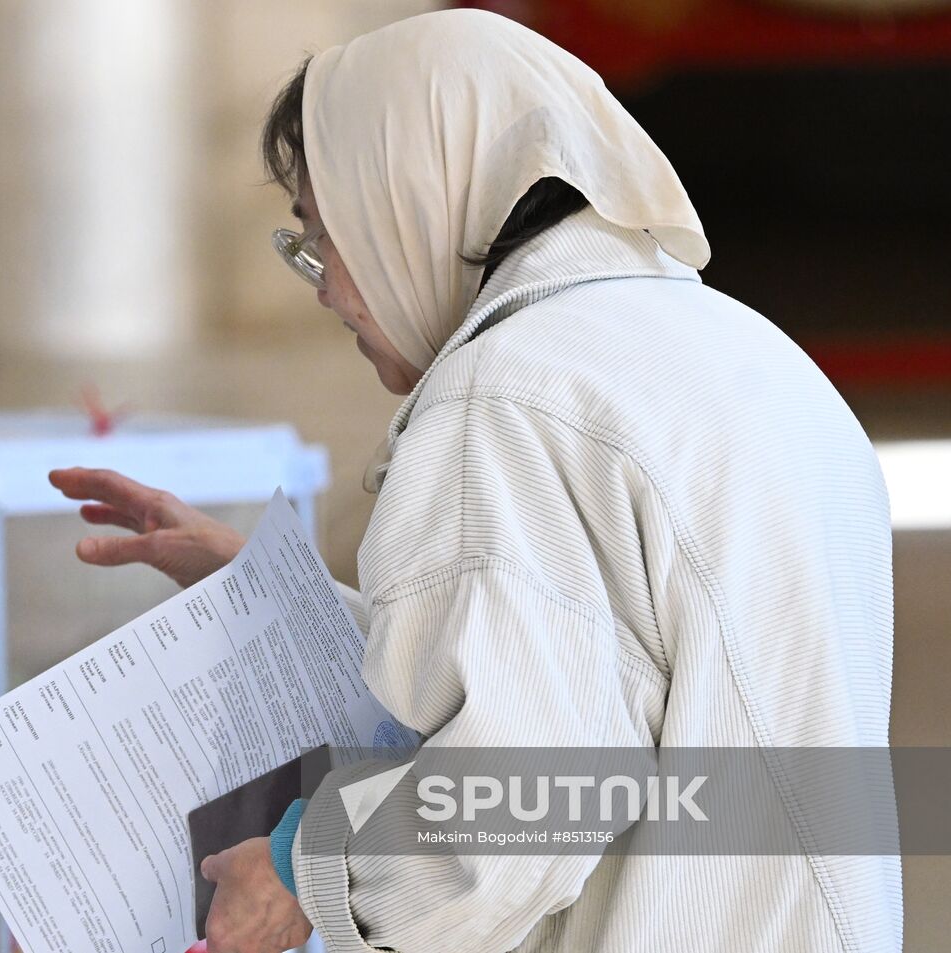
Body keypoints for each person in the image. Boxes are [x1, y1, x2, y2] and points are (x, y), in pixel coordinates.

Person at [50, 9, 900, 953]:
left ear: (407, 199)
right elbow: (609, 674)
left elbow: (520, 811)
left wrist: (301, 871)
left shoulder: (497, 400)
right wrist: (273, 602)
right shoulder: (740, 349)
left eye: (323, 237)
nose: (327, 287)